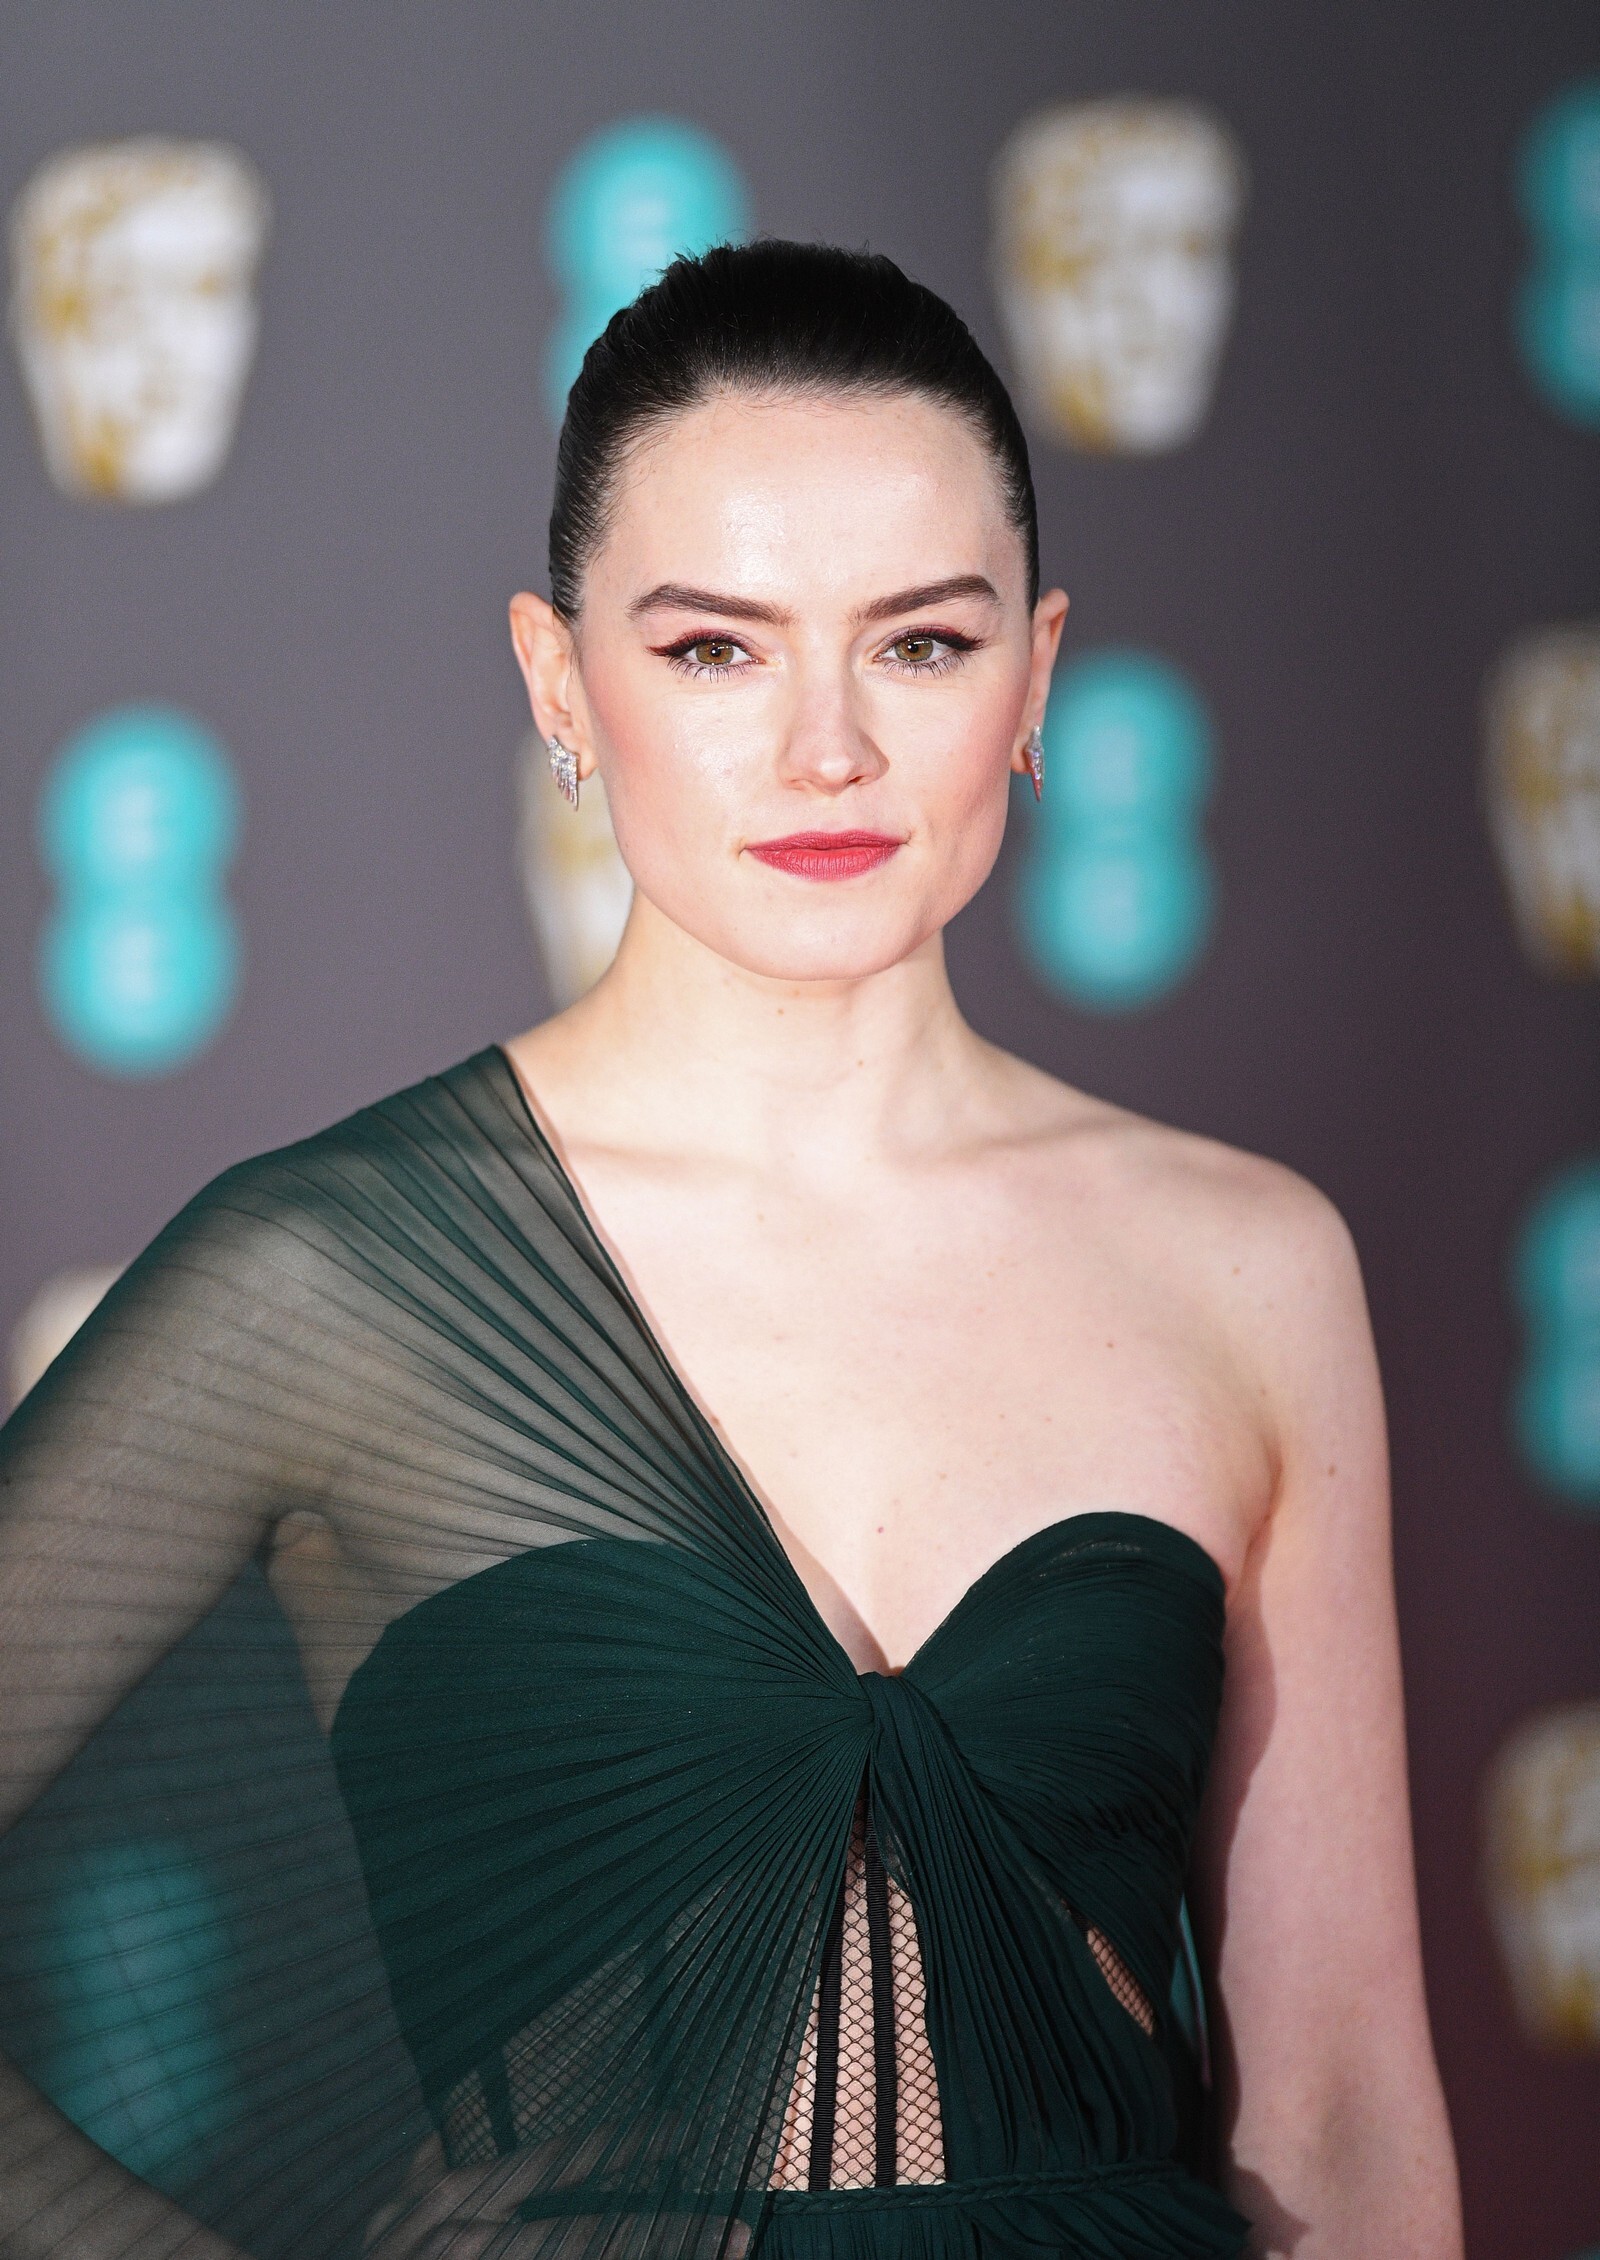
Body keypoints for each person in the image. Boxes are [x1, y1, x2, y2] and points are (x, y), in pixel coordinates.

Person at [0, 241, 1461, 2260]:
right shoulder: (337, 1276)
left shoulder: (1248, 1264)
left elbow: (1341, 2108)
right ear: (557, 682)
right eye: (715, 650)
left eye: (919, 643)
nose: (826, 749)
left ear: (1036, 676)